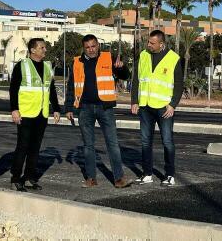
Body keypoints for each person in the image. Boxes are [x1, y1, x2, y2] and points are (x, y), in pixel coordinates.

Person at [65, 34, 133, 188]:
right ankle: (91, 178)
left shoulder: (109, 58)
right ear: (84, 48)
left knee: (112, 143)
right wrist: (68, 108)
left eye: (93, 46)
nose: (91, 50)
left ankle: (119, 179)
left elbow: (125, 75)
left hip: (105, 107)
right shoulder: (77, 62)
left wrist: (121, 68)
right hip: (84, 108)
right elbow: (71, 85)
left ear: (98, 46)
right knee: (88, 145)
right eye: (87, 47)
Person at [131, 29, 182, 187]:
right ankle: (147, 174)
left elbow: (179, 84)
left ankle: (169, 175)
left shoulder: (173, 58)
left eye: (152, 43)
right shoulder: (143, 55)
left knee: (167, 141)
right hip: (145, 106)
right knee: (145, 142)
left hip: (164, 108)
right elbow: (137, 80)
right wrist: (134, 101)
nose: (148, 45)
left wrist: (173, 104)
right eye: (148, 42)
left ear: (162, 44)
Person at [9, 38, 60, 191]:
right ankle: (15, 179)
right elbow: (13, 89)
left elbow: (51, 89)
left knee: (35, 148)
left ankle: (30, 177)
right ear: (33, 50)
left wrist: (56, 109)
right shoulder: (22, 66)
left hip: (41, 113)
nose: (45, 50)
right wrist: (14, 109)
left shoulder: (47, 66)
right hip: (25, 113)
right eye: (42, 47)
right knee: (23, 147)